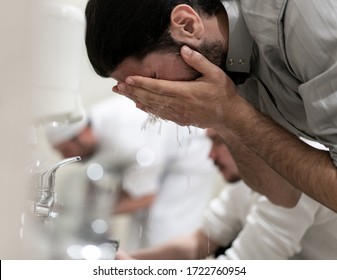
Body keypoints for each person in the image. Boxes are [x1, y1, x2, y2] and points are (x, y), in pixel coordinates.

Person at [84, 0, 337, 212]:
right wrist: (222, 119)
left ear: (187, 24)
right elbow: (283, 193)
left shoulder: (300, 16)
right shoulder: (228, 66)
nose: (154, 102)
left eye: (153, 82)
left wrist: (232, 113)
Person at [116, 129, 337, 260]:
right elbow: (200, 242)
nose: (210, 155)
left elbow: (243, 268)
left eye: (218, 141)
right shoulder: (245, 183)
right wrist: (130, 261)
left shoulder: (292, 179)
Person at [45, 96, 218, 250]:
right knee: (139, 238)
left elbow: (144, 197)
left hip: (188, 156)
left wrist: (82, 214)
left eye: (65, 149)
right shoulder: (97, 123)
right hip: (163, 159)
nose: (64, 156)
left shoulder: (124, 139)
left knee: (163, 233)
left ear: (81, 136)